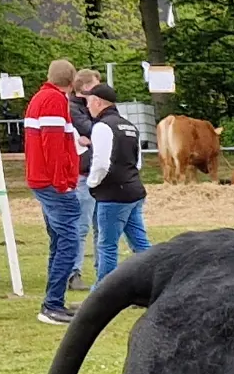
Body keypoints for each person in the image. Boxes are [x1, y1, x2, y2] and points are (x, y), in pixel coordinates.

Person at [23, 59, 84, 324]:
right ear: (72, 82)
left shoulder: (40, 98)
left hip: (43, 180)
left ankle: (54, 300)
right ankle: (52, 304)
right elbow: (54, 145)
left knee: (59, 241)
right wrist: (63, 182)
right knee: (69, 241)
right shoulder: (54, 101)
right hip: (52, 183)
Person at [83, 82, 150, 279]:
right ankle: (156, 285)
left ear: (98, 102)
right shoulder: (129, 126)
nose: (87, 106)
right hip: (134, 190)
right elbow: (137, 162)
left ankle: (101, 293)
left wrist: (92, 183)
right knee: (141, 245)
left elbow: (102, 163)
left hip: (113, 194)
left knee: (107, 246)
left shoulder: (102, 127)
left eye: (89, 101)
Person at [68, 68, 100, 289]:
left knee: (101, 228)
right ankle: (73, 272)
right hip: (84, 174)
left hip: (97, 173)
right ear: (86, 88)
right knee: (81, 226)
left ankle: (104, 272)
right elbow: (94, 130)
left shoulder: (89, 109)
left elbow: (95, 133)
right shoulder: (73, 109)